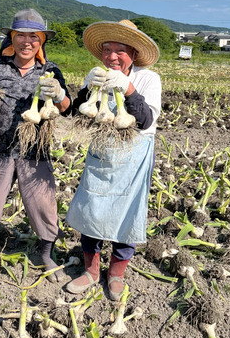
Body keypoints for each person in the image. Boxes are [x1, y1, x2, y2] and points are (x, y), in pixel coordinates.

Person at [0, 9, 71, 282]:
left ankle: (45, 253)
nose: (27, 41)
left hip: (36, 151)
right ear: (12, 37)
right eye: (21, 35)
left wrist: (59, 93)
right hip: (2, 148)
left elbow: (66, 108)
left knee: (44, 206)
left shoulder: (50, 69)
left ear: (42, 40)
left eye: (34, 36)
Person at [64, 20, 161, 300]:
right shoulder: (96, 74)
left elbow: (146, 120)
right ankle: (91, 272)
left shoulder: (148, 79)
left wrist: (128, 89)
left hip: (134, 156)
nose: (112, 56)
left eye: (120, 50)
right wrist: (85, 91)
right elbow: (82, 112)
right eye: (107, 50)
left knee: (127, 214)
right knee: (91, 208)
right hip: (101, 153)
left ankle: (116, 273)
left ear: (133, 53)